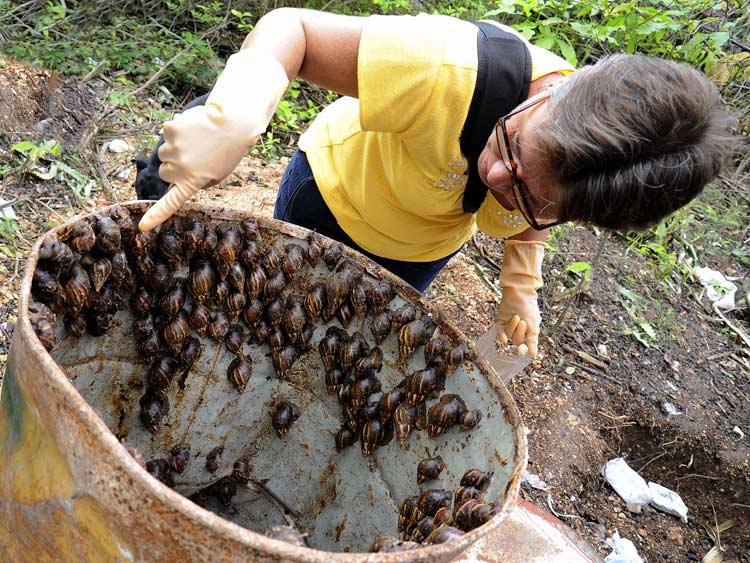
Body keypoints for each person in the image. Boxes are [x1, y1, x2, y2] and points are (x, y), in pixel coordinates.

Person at [137, 8, 736, 359]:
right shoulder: (446, 66)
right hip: (334, 191)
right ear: (558, 92)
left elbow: (538, 201)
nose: (497, 176)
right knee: (276, 299)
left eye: (530, 197)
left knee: (349, 331)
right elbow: (292, 29)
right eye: (514, 147)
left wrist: (522, 278)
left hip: (422, 247)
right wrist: (241, 106)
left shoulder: (581, 175)